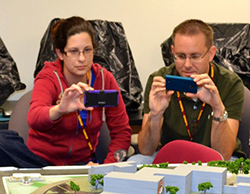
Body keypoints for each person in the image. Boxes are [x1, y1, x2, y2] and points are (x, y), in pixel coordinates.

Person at [0, 16, 131, 167]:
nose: (82, 58)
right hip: (41, 164)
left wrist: (108, 167)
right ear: (61, 54)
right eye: (74, 51)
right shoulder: (49, 76)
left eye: (87, 50)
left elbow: (121, 132)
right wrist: (60, 109)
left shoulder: (104, 80)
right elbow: (35, 117)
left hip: (82, 164)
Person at [130, 19, 244, 164]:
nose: (187, 65)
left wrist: (217, 109)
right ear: (173, 52)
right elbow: (146, 150)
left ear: (211, 53)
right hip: (171, 157)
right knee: (136, 161)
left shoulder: (230, 83)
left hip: (214, 160)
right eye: (181, 56)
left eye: (195, 56)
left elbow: (224, 155)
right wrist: (155, 115)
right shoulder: (159, 81)